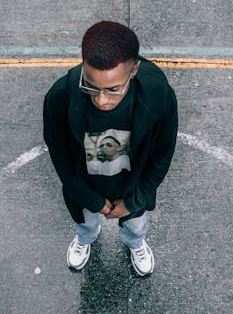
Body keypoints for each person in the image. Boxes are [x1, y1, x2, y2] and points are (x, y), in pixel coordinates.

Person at [43, 21, 178, 276]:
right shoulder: (60, 98)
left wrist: (133, 201)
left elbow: (161, 156)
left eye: (113, 90)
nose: (101, 99)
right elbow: (60, 157)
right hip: (85, 184)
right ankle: (85, 239)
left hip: (132, 183)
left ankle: (135, 244)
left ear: (134, 70)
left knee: (136, 225)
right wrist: (91, 199)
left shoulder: (159, 96)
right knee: (85, 221)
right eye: (91, 87)